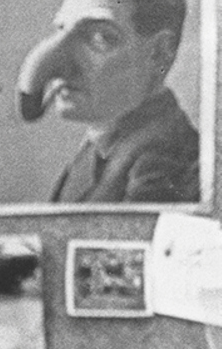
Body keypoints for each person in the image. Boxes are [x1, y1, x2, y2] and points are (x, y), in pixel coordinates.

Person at [16, 0, 199, 202]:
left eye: (100, 37)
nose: (61, 65)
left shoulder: (163, 165)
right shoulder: (102, 144)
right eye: (61, 29)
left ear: (159, 52)